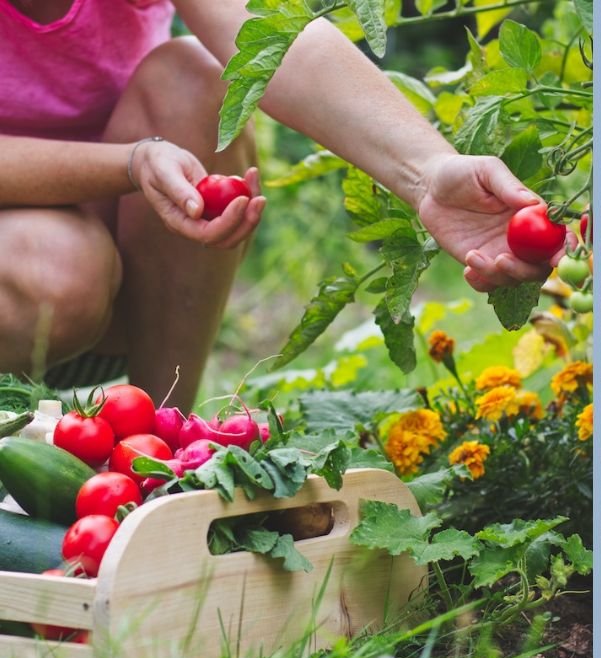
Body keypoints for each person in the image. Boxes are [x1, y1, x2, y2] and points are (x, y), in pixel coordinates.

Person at [0, 0, 558, 411]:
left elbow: (278, 43)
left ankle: (157, 433)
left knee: (196, 77)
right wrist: (130, 163)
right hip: (32, 277)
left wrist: (428, 172)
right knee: (58, 270)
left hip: (111, 279)